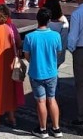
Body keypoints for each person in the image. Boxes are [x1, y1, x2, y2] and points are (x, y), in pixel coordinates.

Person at [23, 8, 63, 138]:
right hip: (52, 72)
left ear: (37, 19)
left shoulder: (30, 37)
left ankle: (43, 129)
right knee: (52, 99)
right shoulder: (56, 35)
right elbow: (58, 52)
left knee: (41, 101)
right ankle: (56, 128)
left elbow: (27, 56)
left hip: (36, 72)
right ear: (49, 20)